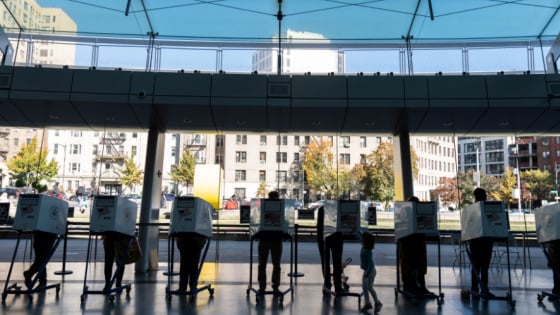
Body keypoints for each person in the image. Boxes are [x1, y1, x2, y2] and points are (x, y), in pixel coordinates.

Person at [398, 196, 432, 295]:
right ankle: (420, 286)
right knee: (419, 265)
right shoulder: (420, 216)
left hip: (408, 243)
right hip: (416, 242)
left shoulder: (404, 214)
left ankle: (410, 286)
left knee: (410, 265)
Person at [468, 187, 495, 298]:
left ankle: (475, 289)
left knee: (476, 268)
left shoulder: (471, 210)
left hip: (475, 242)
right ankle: (484, 289)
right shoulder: (487, 208)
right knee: (484, 268)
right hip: (485, 242)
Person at [257, 190, 283, 294]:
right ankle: (275, 286)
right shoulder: (281, 208)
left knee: (262, 264)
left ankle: (262, 287)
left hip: (264, 239)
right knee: (276, 264)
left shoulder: (263, 208)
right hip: (277, 240)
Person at [360, 232, 382, 313]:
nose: (361, 240)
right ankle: (367, 303)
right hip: (367, 270)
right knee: (365, 287)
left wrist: (367, 272)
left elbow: (371, 264)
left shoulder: (368, 251)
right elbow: (359, 236)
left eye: (362, 239)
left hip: (370, 271)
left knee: (369, 287)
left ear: (366, 241)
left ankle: (377, 302)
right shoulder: (364, 248)